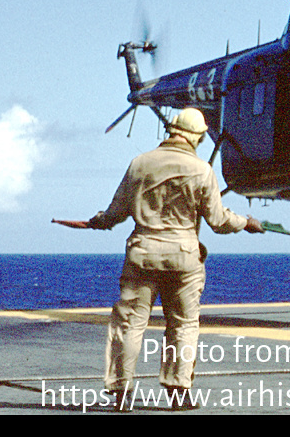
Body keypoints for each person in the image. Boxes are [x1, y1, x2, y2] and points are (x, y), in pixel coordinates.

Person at [87, 107, 264, 410]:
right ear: (196, 137)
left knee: (129, 324)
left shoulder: (139, 164)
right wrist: (245, 223)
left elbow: (115, 212)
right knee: (183, 325)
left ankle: (120, 393)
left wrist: (99, 220)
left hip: (142, 255)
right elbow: (219, 221)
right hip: (184, 259)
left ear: (172, 130)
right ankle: (179, 393)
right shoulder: (202, 170)